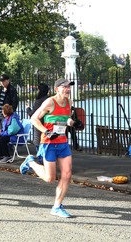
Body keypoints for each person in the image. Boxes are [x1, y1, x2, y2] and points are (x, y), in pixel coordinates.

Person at [20, 78, 81, 218]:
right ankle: (30, 161)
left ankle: (57, 206)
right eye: (65, 87)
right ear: (57, 89)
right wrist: (46, 131)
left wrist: (73, 123)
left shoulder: (69, 102)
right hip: (48, 143)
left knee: (67, 174)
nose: (68, 89)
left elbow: (65, 119)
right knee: (49, 178)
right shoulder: (49, 102)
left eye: (69, 87)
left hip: (62, 143)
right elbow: (34, 118)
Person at [26, 83, 50, 164]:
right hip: (48, 124)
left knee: (38, 141)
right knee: (47, 141)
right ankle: (47, 160)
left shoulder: (39, 101)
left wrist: (27, 108)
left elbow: (32, 114)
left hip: (39, 123)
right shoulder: (49, 100)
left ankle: (40, 159)